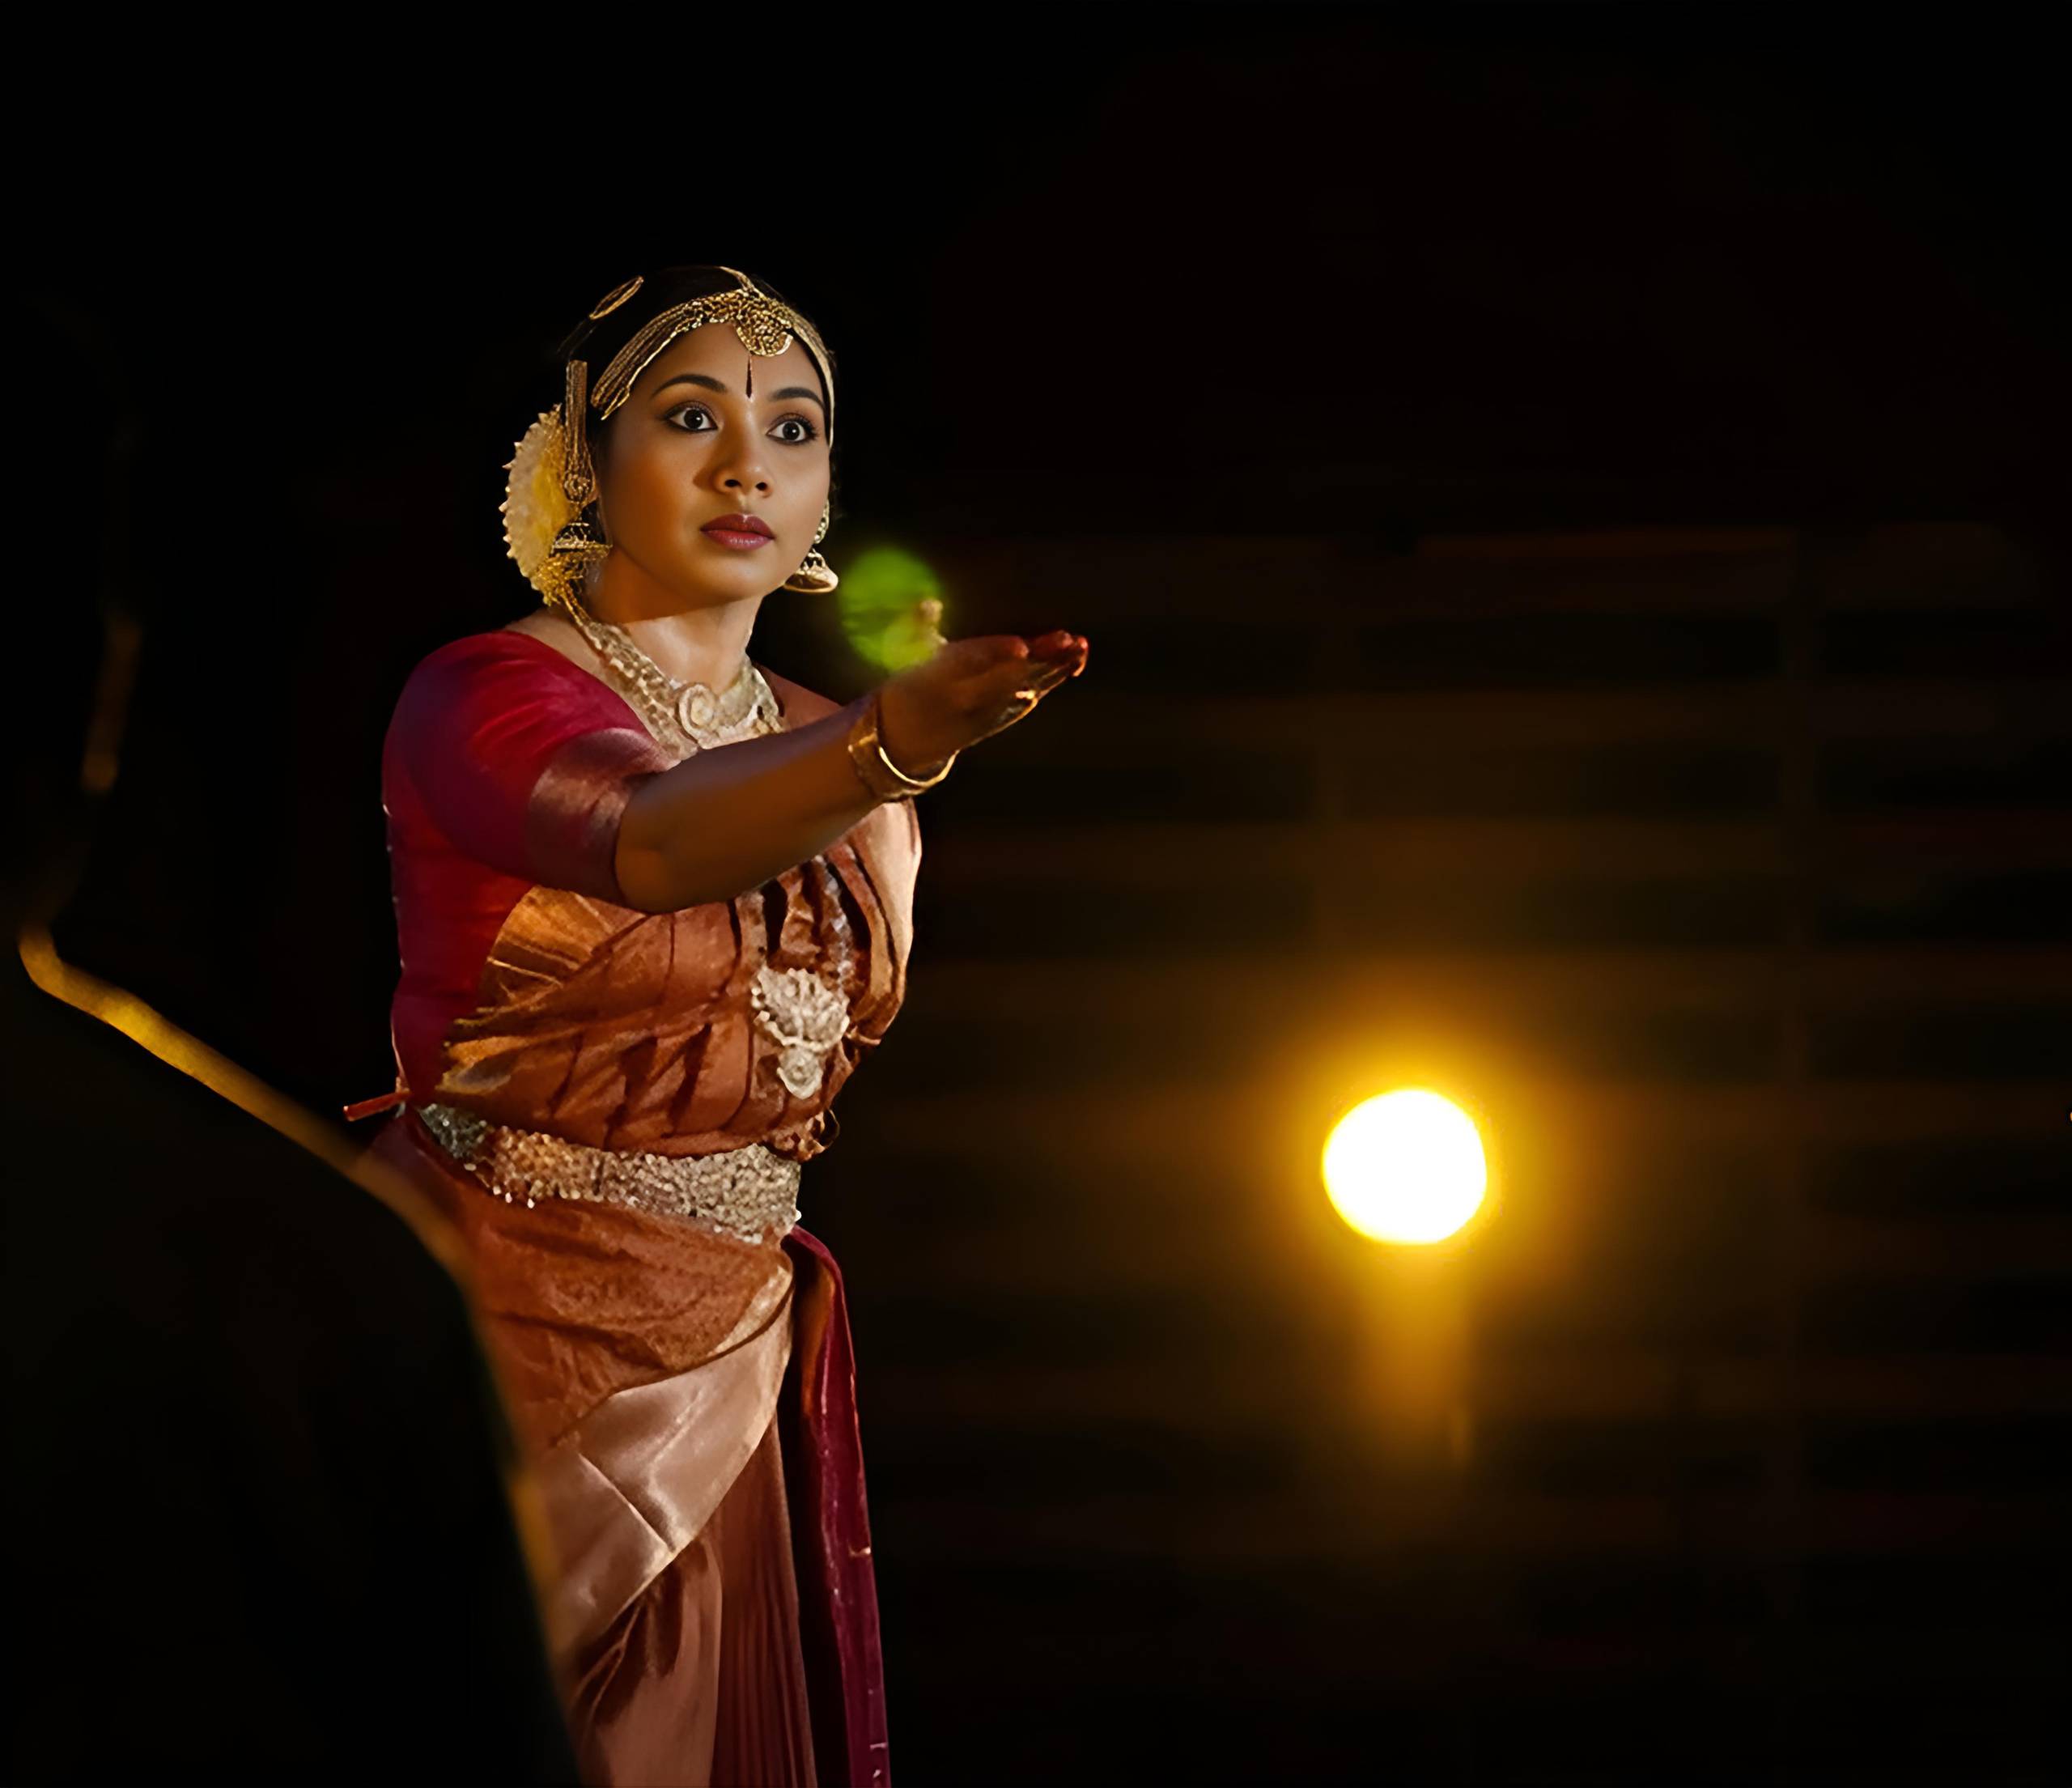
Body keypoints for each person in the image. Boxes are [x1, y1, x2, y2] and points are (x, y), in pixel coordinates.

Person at [358, 264, 1089, 1788]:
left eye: (793, 429)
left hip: (731, 1362)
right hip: (495, 1344)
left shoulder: (846, 751)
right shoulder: (479, 695)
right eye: (691, 418)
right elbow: (650, 838)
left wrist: (877, 753)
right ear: (585, 457)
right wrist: (885, 751)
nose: (746, 466)